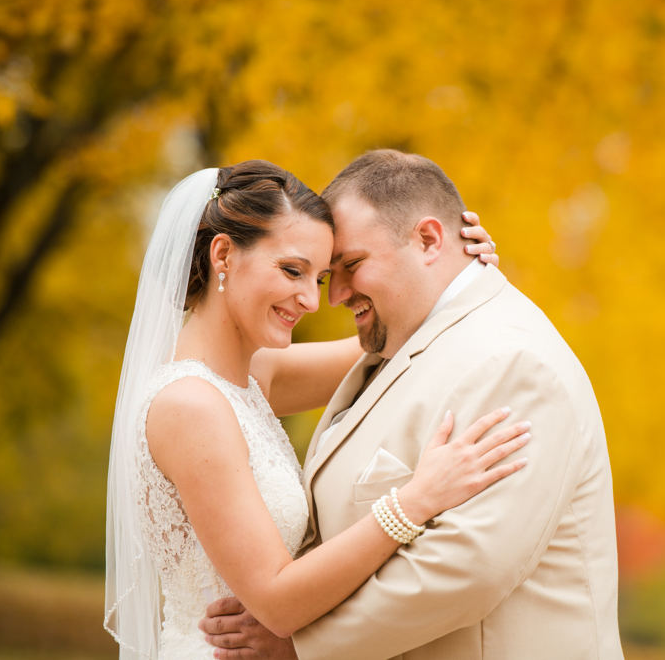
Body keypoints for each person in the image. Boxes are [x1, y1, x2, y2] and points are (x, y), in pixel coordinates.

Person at [201, 150, 623, 659]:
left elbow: (468, 567)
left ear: (428, 239)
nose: (330, 297)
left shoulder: (514, 363)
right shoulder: (409, 342)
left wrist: (300, 646)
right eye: (322, 274)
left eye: (351, 265)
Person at [103, 159, 526, 660]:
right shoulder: (191, 406)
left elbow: (396, 337)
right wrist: (414, 502)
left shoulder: (251, 376)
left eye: (321, 279)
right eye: (291, 270)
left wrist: (449, 272)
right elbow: (278, 603)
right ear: (223, 254)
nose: (310, 300)